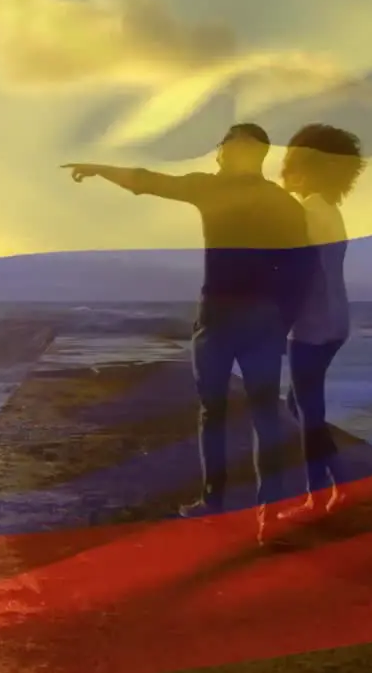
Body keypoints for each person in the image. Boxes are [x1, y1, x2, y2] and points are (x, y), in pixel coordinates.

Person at [62, 123, 314, 540]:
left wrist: (98, 167)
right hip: (254, 322)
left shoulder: (217, 190)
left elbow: (150, 182)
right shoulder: (280, 202)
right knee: (260, 414)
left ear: (234, 153)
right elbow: (303, 269)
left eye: (226, 147)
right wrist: (284, 320)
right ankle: (266, 513)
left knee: (218, 415)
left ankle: (221, 505)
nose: (222, 154)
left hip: (221, 320)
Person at [276, 123, 366, 520]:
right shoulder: (331, 210)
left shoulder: (306, 211)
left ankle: (324, 498)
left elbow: (299, 276)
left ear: (309, 168)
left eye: (291, 164)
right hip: (336, 320)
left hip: (311, 325)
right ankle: (338, 486)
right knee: (299, 405)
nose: (284, 173)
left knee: (308, 413)